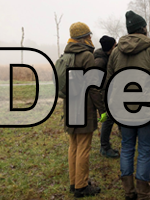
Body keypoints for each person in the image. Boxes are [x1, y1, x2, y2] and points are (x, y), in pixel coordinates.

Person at [107, 11, 150, 200]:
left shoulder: (116, 51)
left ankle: (129, 192)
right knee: (144, 151)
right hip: (147, 109)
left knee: (126, 147)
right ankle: (143, 194)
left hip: (123, 110)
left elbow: (109, 82)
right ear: (143, 28)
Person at [62, 22, 103, 197]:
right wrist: (102, 109)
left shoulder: (66, 54)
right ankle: (81, 186)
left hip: (70, 105)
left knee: (73, 146)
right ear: (83, 38)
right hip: (84, 108)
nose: (91, 38)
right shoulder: (86, 56)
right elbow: (94, 87)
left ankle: (74, 182)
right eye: (89, 35)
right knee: (84, 147)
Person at [94, 35, 119, 158]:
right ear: (110, 48)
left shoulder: (106, 56)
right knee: (107, 120)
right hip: (104, 95)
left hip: (108, 92)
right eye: (115, 45)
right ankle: (104, 147)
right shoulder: (100, 61)